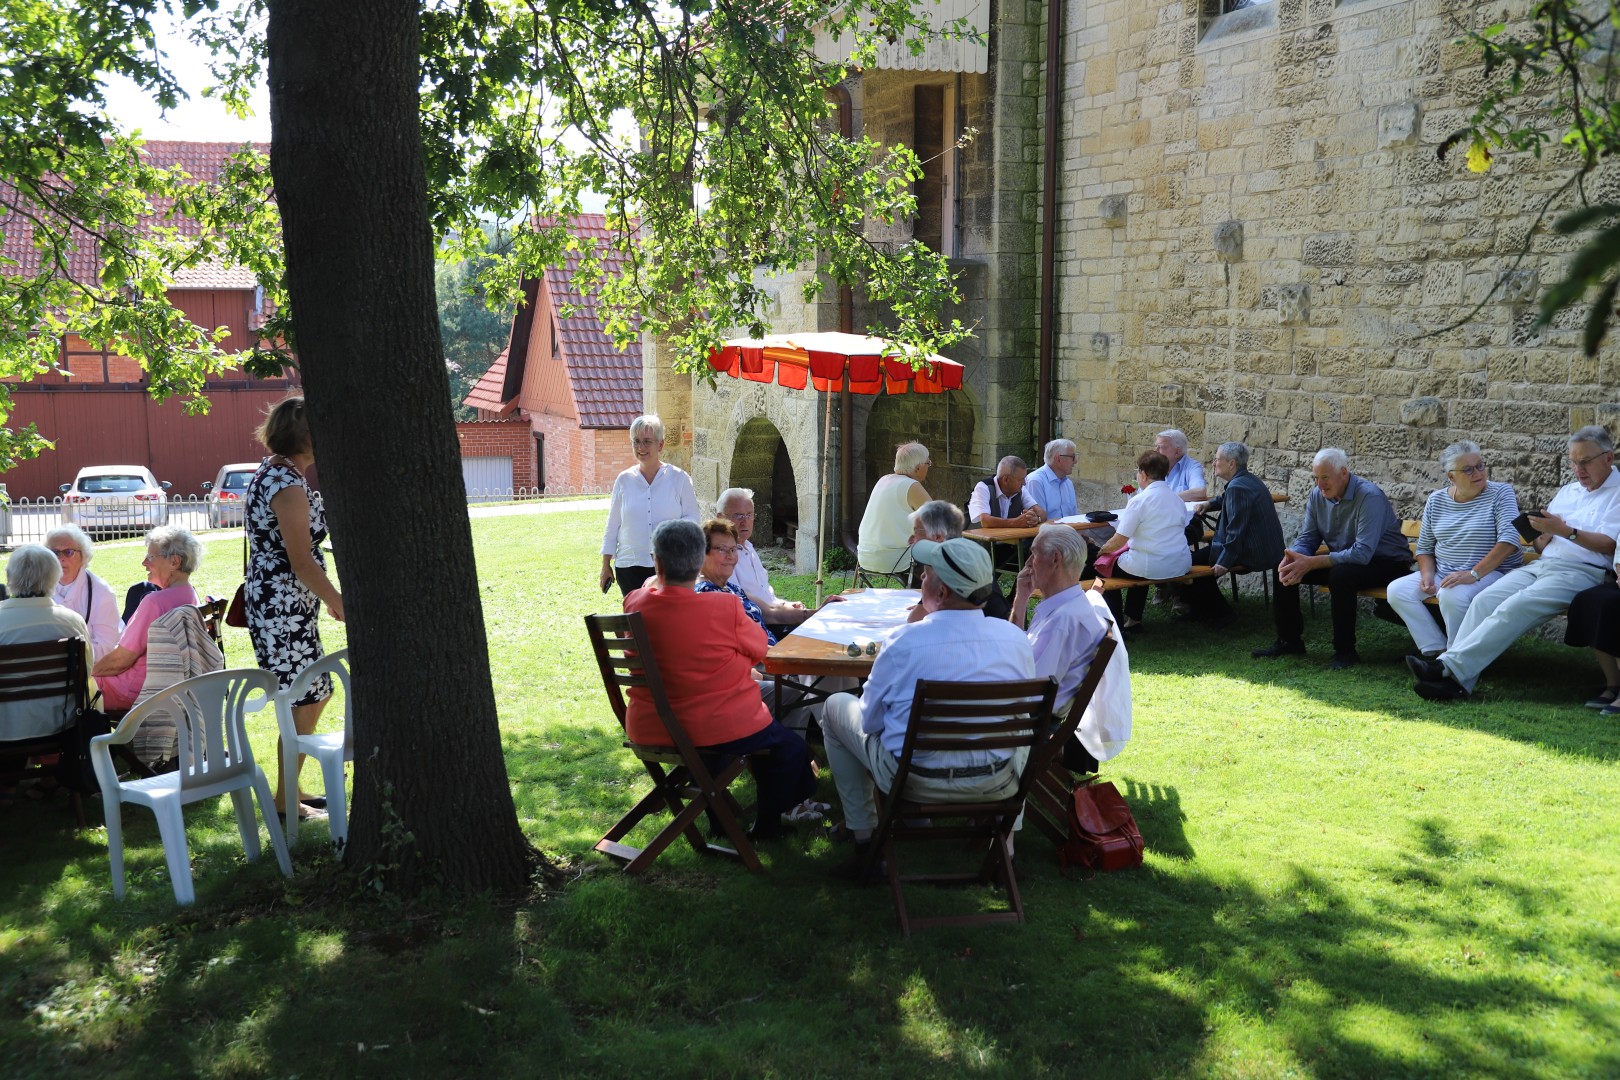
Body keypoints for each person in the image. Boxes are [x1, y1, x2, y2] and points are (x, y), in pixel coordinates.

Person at [820, 536, 1037, 873]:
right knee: (1020, 719)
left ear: (941, 593)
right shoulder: (1014, 639)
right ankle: (1005, 853)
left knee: (836, 706)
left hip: (913, 780)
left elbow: (869, 721)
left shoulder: (904, 642)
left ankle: (865, 842)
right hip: (997, 779)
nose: (921, 577)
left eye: (926, 574)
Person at [623, 520, 818, 839]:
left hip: (649, 725)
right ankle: (767, 828)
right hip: (716, 726)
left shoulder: (635, 602)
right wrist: (737, 658)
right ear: (700, 559)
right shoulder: (723, 606)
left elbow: (649, 588)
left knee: (765, 744)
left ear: (657, 561)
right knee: (791, 749)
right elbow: (760, 650)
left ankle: (719, 819)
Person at [1409, 426, 1620, 701]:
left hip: (1583, 573)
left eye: (1585, 462)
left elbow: (1610, 545)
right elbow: (1545, 540)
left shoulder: (1617, 492)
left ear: (1607, 457)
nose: (1577, 469)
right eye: (1572, 462)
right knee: (1484, 601)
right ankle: (1457, 681)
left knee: (1514, 606)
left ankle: (1446, 668)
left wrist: (1564, 531)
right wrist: (1541, 536)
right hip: (1543, 565)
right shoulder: (1569, 491)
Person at [243, 396, 345, 818]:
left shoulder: (276, 473)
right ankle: (285, 801)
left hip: (285, 607)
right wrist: (340, 603)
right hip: (281, 610)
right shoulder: (285, 485)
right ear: (306, 436)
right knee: (305, 696)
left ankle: (291, 790)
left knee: (308, 694)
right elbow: (300, 560)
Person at [1255, 448, 1411, 670]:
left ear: (1344, 473)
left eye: (1325, 478)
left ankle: (1345, 651)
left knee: (1341, 576)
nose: (1320, 484)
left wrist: (1312, 562)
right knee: (1285, 566)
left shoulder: (1369, 496)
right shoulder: (1317, 495)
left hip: (1388, 563)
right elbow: (1308, 538)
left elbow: (1362, 553)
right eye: (1316, 478)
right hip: (1347, 561)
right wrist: (1295, 556)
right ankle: (1289, 641)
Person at [1385, 442, 1522, 659]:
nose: (1477, 473)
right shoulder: (1437, 500)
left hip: (1491, 573)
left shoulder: (1500, 493)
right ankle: (1435, 649)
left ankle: (1459, 658)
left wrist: (1473, 573)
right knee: (1397, 590)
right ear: (1451, 477)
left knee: (1451, 595)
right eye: (1468, 469)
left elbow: (1510, 539)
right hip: (1446, 572)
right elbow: (1425, 548)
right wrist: (1427, 575)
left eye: (1480, 466)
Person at [1010, 525, 1112, 771]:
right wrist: (1021, 599)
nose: (1029, 562)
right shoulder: (1065, 607)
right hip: (1030, 719)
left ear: (1055, 559)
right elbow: (1019, 652)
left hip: (1024, 728)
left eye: (1034, 554)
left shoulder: (1062, 621)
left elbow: (1027, 691)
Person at [92, 526, 203, 712]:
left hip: (137, 692)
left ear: (174, 562)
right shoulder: (191, 596)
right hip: (171, 690)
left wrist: (87, 672)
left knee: (72, 686)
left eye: (151, 557)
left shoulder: (155, 602)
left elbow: (121, 660)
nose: (144, 562)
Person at [0, 545, 93, 754]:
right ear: (55, 577)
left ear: (9, 577)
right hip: (60, 726)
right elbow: (87, 671)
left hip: (4, 728)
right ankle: (50, 780)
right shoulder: (72, 622)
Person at [1181, 441, 1285, 624]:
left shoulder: (1238, 487)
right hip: (1265, 547)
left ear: (1232, 464)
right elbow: (1227, 498)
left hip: (1252, 550)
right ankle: (1203, 610)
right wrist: (1210, 504)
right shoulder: (1247, 479)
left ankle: (1221, 613)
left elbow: (1236, 532)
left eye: (1217, 459)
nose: (1213, 463)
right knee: (1193, 560)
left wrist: (1224, 562)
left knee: (1186, 563)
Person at [600, 414, 701, 596]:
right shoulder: (624, 480)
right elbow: (613, 524)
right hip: (629, 565)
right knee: (636, 622)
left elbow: (693, 518)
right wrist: (605, 565)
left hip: (670, 566)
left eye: (647, 441)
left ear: (660, 445)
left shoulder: (679, 478)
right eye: (636, 441)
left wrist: (672, 536)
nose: (641, 447)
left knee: (666, 620)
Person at [1091, 451, 1192, 629]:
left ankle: (1115, 624)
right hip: (1180, 563)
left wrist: (1100, 552)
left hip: (1151, 565)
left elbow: (1118, 541)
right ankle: (1134, 619)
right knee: (1135, 561)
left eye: (1138, 471)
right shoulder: (1177, 500)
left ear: (1143, 474)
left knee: (1101, 569)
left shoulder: (1139, 501)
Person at [717, 488, 842, 628]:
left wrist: (783, 604)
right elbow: (757, 611)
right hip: (758, 626)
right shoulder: (722, 559)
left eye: (749, 515)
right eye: (738, 516)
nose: (745, 522)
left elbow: (764, 593)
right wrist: (812, 614)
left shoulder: (747, 547)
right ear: (720, 518)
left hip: (772, 618)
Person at [903, 498, 1011, 620]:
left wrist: (925, 606)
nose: (911, 539)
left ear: (938, 536)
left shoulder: (944, 566)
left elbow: (914, 621)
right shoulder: (966, 557)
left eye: (916, 531)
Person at [43, 524, 121, 662]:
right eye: (55, 552)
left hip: (88, 672)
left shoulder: (101, 592)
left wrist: (65, 656)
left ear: (83, 557)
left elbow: (107, 646)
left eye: (68, 552)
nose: (61, 558)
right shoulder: (38, 588)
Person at [856, 442, 932, 579]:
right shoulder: (911, 485)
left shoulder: (883, 480)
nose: (929, 466)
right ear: (918, 468)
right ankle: (924, 597)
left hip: (865, 556)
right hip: (894, 560)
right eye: (928, 463)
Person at [967, 455, 1044, 529]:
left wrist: (1036, 519)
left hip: (1009, 540)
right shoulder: (984, 487)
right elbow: (985, 521)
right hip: (979, 541)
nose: (1024, 483)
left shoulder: (1021, 489)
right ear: (1005, 480)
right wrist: (1015, 522)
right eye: (1020, 479)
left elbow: (1041, 512)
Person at [1024, 439, 1080, 522]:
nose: (1075, 462)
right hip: (1047, 533)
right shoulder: (1035, 481)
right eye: (1072, 457)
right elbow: (1038, 520)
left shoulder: (1068, 483)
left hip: (1068, 532)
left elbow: (1074, 517)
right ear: (1058, 458)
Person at [1156, 429, 1208, 501]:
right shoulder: (1155, 467)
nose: (1156, 450)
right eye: (1156, 446)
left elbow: (1200, 492)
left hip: (1181, 512)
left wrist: (1166, 499)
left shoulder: (1192, 466)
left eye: (1161, 447)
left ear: (1177, 452)